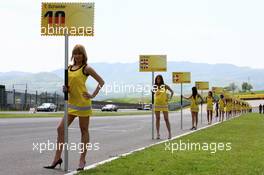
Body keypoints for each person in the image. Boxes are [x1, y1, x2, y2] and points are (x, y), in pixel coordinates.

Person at [44, 44, 105, 171]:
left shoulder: (86, 68)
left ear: (84, 55)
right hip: (70, 105)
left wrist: (92, 95)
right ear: (73, 55)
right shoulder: (69, 68)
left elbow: (101, 82)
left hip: (83, 104)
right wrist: (65, 88)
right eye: (75, 53)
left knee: (84, 131)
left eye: (80, 53)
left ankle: (82, 160)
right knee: (60, 128)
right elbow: (68, 85)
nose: (77, 56)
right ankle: (57, 159)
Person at [153, 75, 174, 139]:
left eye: (159, 79)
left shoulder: (165, 86)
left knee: (166, 119)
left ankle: (170, 133)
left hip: (164, 104)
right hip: (157, 104)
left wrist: (169, 98)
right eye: (157, 79)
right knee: (157, 118)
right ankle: (158, 134)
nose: (158, 80)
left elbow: (172, 92)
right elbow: (153, 93)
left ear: (161, 79)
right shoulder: (155, 86)